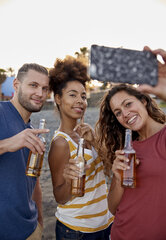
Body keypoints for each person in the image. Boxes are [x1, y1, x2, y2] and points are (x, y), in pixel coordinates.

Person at [95, 47, 166, 240]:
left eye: (128, 104)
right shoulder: (125, 148)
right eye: (118, 112)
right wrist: (118, 179)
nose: (125, 114)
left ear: (143, 100)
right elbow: (112, 208)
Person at [48, 56, 113, 240]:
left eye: (83, 96)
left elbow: (107, 169)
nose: (80, 101)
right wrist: (69, 180)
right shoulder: (61, 143)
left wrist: (96, 142)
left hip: (104, 224)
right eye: (73, 95)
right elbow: (60, 197)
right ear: (58, 99)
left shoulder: (85, 134)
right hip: (77, 231)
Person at [0, 63, 49, 240]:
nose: (40, 93)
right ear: (16, 85)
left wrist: (40, 222)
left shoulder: (32, 131)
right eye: (33, 85)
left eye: (45, 88)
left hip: (30, 231)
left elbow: (33, 182)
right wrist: (7, 144)